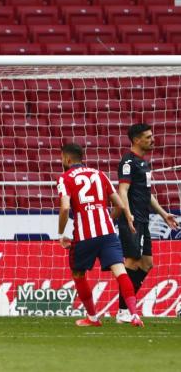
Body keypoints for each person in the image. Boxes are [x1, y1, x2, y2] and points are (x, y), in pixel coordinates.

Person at [56, 143, 143, 327]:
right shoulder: (100, 174)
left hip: (84, 236)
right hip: (108, 233)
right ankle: (134, 315)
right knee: (120, 271)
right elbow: (120, 205)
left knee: (78, 273)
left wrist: (60, 233)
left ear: (67, 159)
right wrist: (109, 220)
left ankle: (93, 318)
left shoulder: (65, 178)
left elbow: (64, 208)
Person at [115, 124, 179, 323]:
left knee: (147, 263)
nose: (153, 140)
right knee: (132, 262)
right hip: (133, 219)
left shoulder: (144, 163)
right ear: (136, 140)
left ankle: (125, 308)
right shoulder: (128, 161)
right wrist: (127, 214)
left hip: (144, 218)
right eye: (148, 137)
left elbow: (147, 193)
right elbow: (122, 190)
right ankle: (123, 310)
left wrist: (163, 214)